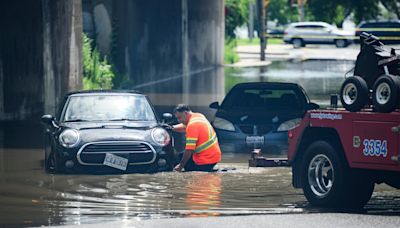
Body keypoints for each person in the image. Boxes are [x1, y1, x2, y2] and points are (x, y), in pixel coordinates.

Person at [171, 104, 221, 172]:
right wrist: (171, 128)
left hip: (205, 161)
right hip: (214, 157)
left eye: (179, 117)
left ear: (185, 113)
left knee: (179, 161)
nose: (178, 120)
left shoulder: (192, 126)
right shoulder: (198, 116)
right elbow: (184, 126)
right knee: (180, 156)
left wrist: (180, 166)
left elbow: (189, 150)